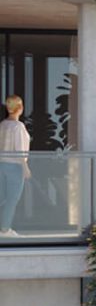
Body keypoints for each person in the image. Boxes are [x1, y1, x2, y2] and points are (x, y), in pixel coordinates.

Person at [0, 95, 27, 236]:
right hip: (15, 167)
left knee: (2, 197)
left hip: (2, 164)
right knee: (12, 199)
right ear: (20, 108)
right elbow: (20, 149)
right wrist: (26, 168)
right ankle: (5, 229)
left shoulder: (3, 124)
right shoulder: (18, 126)